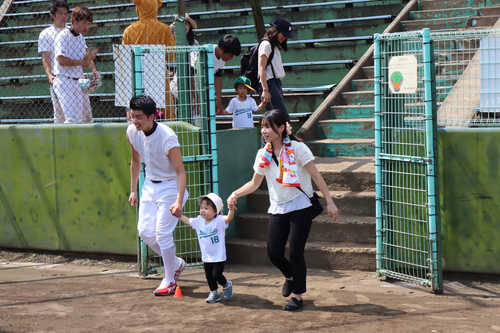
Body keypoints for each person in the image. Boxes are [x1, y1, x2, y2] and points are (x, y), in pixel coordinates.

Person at [227, 109, 339, 311]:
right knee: (274, 253)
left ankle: (297, 296)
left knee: (296, 253)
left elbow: (316, 176)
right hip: (278, 207)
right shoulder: (263, 154)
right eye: (262, 126)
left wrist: (330, 201)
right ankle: (290, 276)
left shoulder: (297, 148)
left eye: (268, 126)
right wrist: (235, 193)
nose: (264, 130)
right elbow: (254, 183)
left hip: (300, 205)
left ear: (281, 127)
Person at [127, 95, 189, 296]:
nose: (134, 120)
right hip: (149, 186)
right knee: (145, 232)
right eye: (132, 115)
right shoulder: (132, 131)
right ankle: (176, 264)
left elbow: (180, 171)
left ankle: (170, 280)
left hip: (171, 187)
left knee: (162, 234)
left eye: (139, 117)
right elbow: (136, 161)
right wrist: (134, 189)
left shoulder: (167, 137)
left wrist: (179, 200)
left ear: (152, 116)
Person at [122, 0, 176, 119]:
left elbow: (125, 58)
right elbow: (171, 56)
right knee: (164, 113)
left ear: (139, 9)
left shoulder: (129, 30)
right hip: (159, 75)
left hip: (138, 76)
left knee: (138, 111)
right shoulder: (164, 29)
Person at [179, 193, 235, 303]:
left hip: (219, 256)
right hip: (207, 256)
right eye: (202, 208)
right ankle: (214, 293)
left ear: (216, 211)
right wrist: (179, 214)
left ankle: (226, 285)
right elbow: (188, 221)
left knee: (216, 274)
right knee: (209, 276)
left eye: (207, 208)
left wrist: (231, 209)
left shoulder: (219, 220)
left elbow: (229, 218)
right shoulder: (199, 221)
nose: (203, 210)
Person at [53, 6, 99, 123]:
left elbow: (82, 66)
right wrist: (83, 61)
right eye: (84, 23)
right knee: (71, 119)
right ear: (74, 21)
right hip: (64, 81)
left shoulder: (81, 39)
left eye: (88, 24)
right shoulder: (63, 36)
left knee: (79, 120)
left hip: (77, 81)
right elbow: (61, 61)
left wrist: (89, 62)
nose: (86, 27)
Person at [38, 0, 69, 123]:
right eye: (60, 13)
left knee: (82, 114)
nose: (63, 16)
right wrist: (50, 75)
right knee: (59, 113)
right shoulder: (46, 34)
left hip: (74, 77)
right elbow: (45, 57)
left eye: (66, 13)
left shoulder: (72, 31)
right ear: (52, 15)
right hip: (58, 79)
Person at [258, 18, 293, 123]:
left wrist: (279, 87)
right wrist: (265, 90)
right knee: (282, 119)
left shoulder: (275, 46)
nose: (285, 37)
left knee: (272, 120)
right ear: (276, 31)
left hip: (274, 84)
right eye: (284, 34)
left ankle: (269, 140)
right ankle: (285, 139)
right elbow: (261, 68)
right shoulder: (266, 44)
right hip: (269, 84)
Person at [213, 35, 241, 115]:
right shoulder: (206, 53)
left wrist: (219, 100)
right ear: (221, 50)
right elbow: (191, 76)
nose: (231, 58)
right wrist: (195, 97)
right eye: (230, 55)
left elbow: (218, 78)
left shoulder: (222, 59)